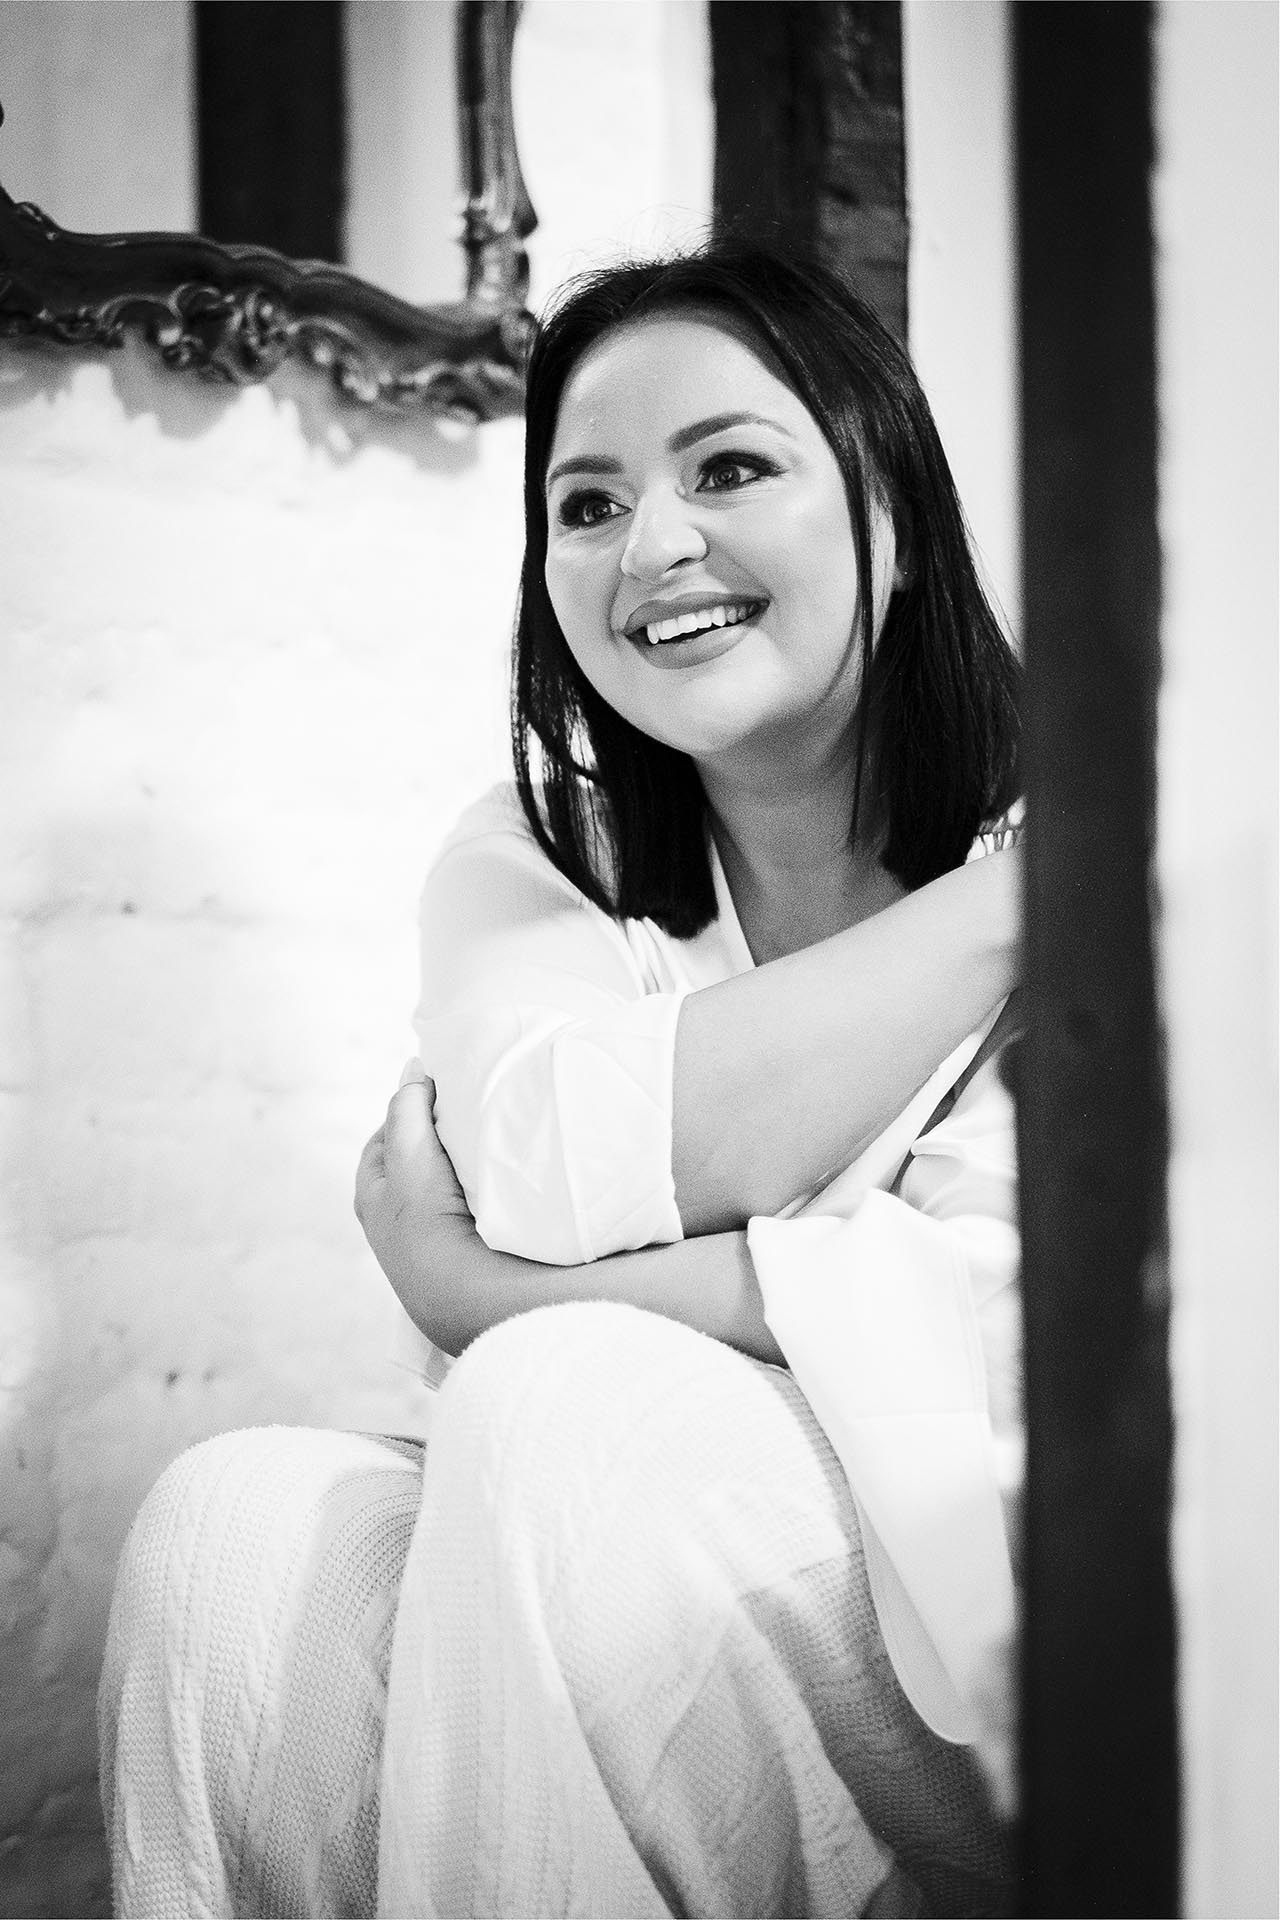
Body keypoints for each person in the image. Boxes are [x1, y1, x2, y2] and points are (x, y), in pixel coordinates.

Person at [99, 246, 1023, 1919]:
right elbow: (550, 1166)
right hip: (616, 1543)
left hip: (992, 1589)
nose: (652, 547)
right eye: (587, 503)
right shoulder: (540, 853)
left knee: (561, 1406)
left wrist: (475, 1297)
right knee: (225, 1527)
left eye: (730, 468)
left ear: (888, 504)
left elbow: (1017, 1310)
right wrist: (1005, 924)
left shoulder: (1070, 827)